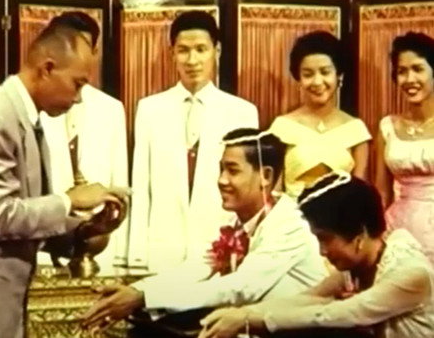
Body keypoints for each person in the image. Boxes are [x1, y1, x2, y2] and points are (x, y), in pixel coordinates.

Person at [0, 25, 128, 338]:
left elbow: (26, 217)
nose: (79, 98)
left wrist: (84, 230)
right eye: (77, 84)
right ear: (47, 68)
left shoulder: (26, 119)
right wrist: (70, 200)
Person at [82, 129, 326, 331]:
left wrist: (143, 298)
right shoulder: (236, 222)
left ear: (266, 175)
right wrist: (136, 290)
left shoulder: (291, 224)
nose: (221, 180)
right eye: (221, 169)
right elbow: (195, 269)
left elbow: (240, 287)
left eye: (233, 170)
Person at [199, 174, 434, 338]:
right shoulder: (357, 265)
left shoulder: (410, 273)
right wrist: (241, 313)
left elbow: (334, 314)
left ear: (359, 234)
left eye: (325, 239)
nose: (322, 251)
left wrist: (249, 321)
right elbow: (307, 299)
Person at [129, 10, 259, 271]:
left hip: (219, 251)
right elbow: (141, 186)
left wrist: (244, 249)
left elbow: (248, 192)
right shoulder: (150, 109)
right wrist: (137, 256)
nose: (192, 60)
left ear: (216, 51)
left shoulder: (242, 112)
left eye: (201, 49)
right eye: (183, 50)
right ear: (172, 54)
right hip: (162, 252)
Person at [39, 11, 129, 271]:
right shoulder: (36, 106)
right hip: (46, 244)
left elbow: (119, 184)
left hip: (99, 246)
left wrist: (118, 253)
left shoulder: (111, 108)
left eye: (83, 47)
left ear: (95, 52)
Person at [269, 31, 370, 197]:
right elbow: (274, 192)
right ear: (298, 79)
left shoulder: (356, 130)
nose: (317, 82)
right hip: (292, 212)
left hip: (341, 213)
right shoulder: (282, 128)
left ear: (339, 75)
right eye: (308, 74)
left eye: (325, 72)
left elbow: (360, 195)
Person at [376, 31, 434, 266]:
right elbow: (382, 193)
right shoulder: (388, 127)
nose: (410, 79)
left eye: (418, 69)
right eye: (402, 71)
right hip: (398, 229)